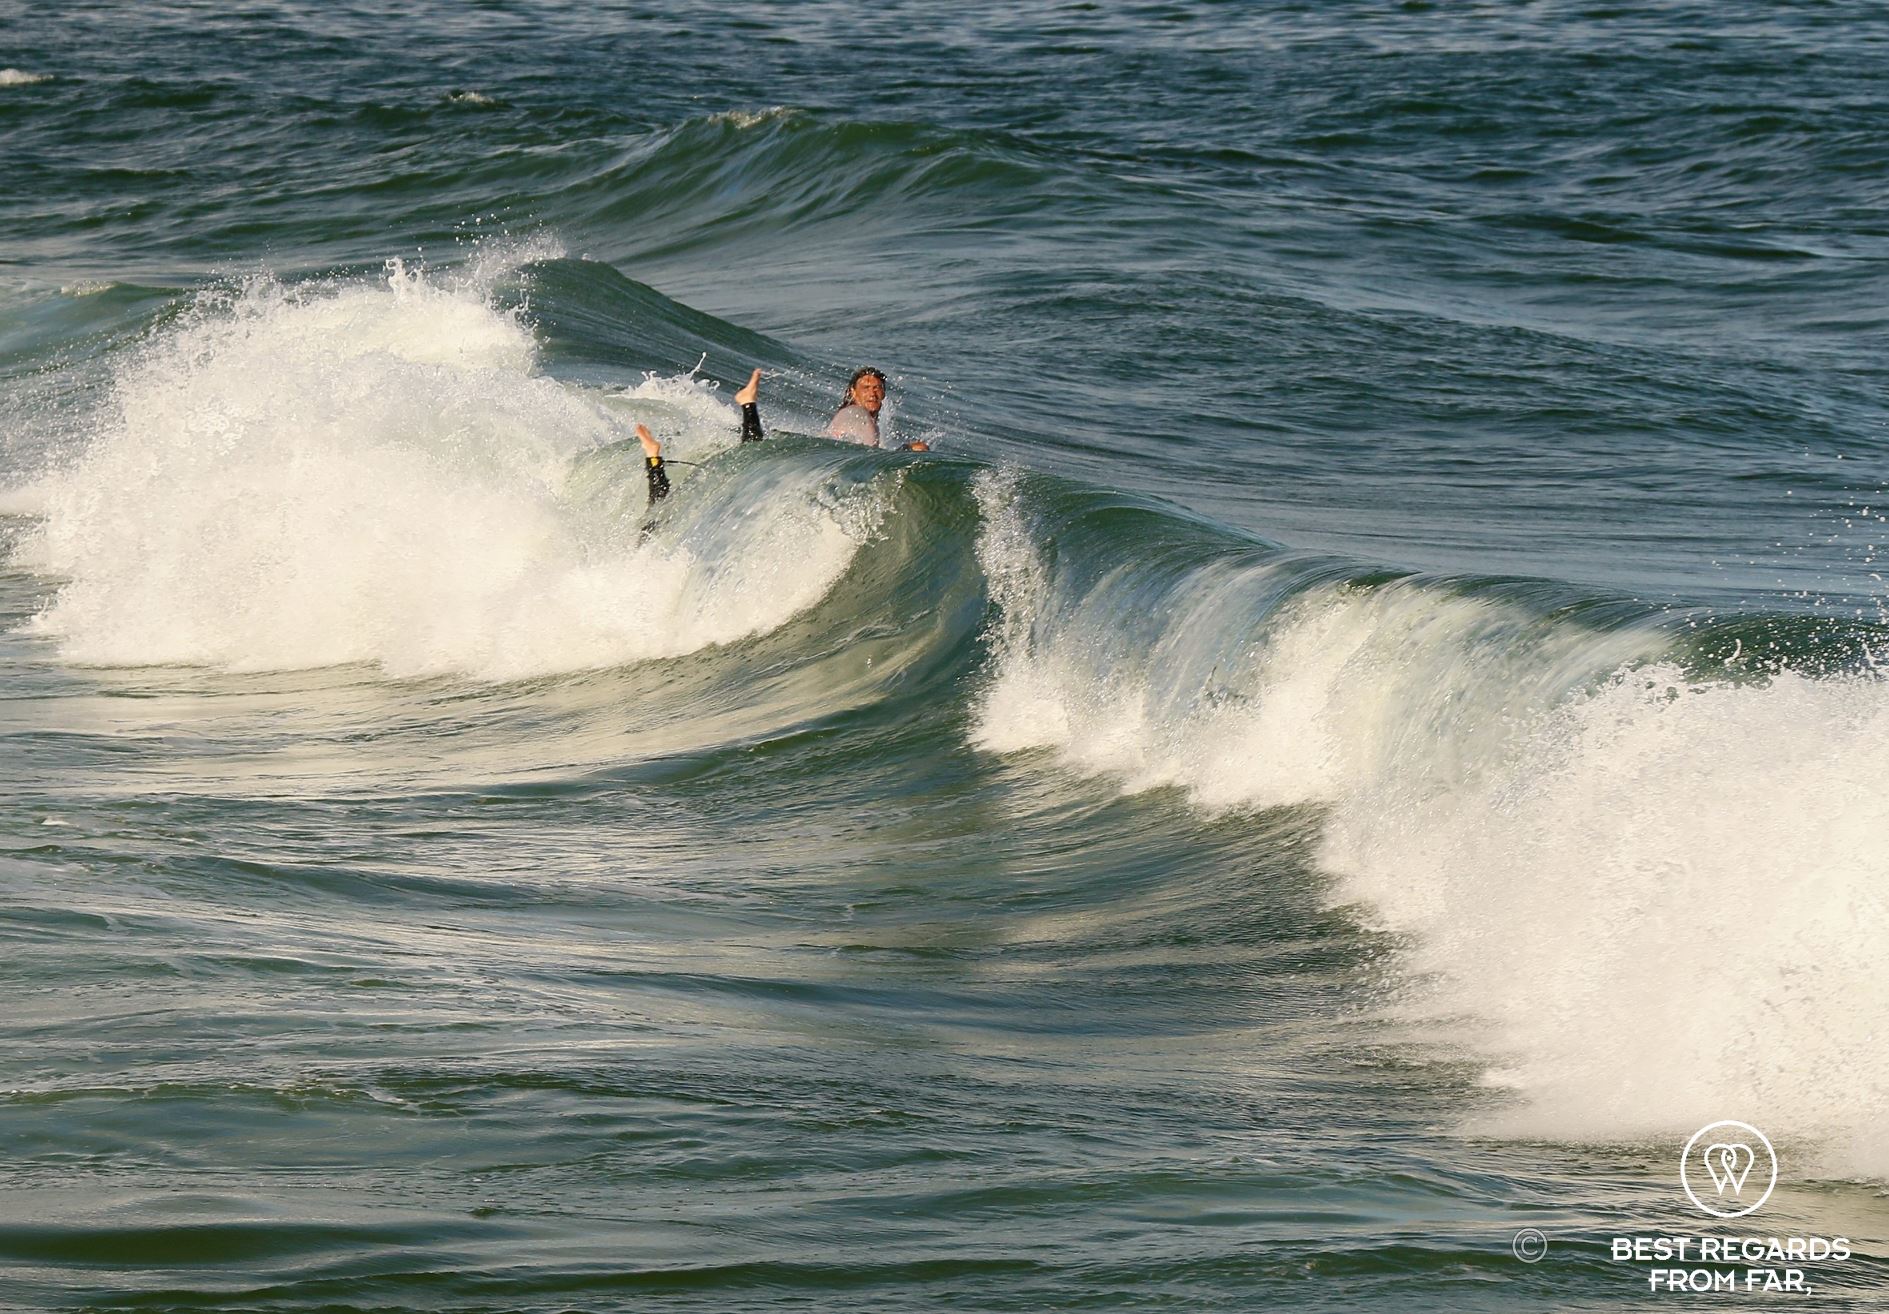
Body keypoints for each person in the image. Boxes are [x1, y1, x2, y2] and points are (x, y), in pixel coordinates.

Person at [638, 366, 925, 507]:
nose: (873, 391)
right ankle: (747, 405)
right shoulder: (859, 416)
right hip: (809, 461)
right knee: (750, 459)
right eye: (866, 386)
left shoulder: (852, 416)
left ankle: (655, 458)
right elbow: (867, 456)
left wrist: (903, 450)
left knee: (749, 457)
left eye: (877, 387)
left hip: (809, 458)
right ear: (852, 392)